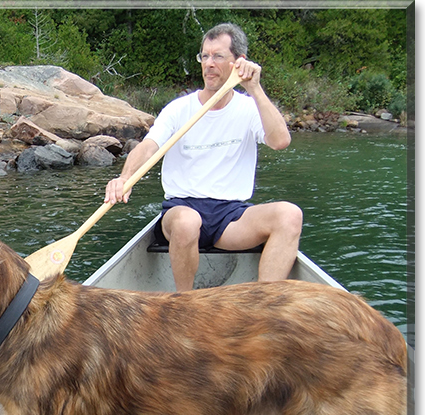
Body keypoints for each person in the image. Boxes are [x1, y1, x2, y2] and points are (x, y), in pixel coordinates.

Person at [104, 23, 302, 292]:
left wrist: (255, 89)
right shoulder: (178, 110)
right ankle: (187, 305)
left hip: (230, 217)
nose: (209, 64)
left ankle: (264, 304)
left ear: (238, 62)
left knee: (290, 215)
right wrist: (124, 177)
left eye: (218, 56)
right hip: (181, 210)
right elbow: (148, 146)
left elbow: (280, 141)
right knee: (188, 222)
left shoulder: (249, 107)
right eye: (204, 56)